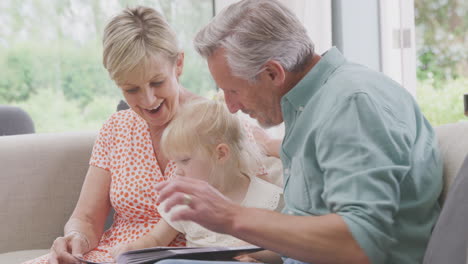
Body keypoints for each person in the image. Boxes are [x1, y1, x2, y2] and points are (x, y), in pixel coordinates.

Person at [154, 1, 443, 264]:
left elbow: (359, 243)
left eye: (234, 90)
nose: (231, 107)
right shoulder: (313, 106)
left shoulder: (351, 104)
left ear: (273, 73)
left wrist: (231, 217)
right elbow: (312, 227)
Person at [23, 6, 272, 264]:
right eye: (131, 89)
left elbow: (260, 210)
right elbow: (86, 218)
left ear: (179, 64)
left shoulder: (220, 124)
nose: (148, 100)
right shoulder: (116, 128)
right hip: (114, 256)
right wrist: (75, 240)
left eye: (156, 83)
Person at [110, 100, 283, 262]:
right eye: (174, 162)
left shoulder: (270, 199)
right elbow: (155, 238)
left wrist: (254, 254)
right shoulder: (184, 200)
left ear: (221, 153)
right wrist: (132, 249)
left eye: (184, 160)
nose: (177, 170)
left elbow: (286, 251)